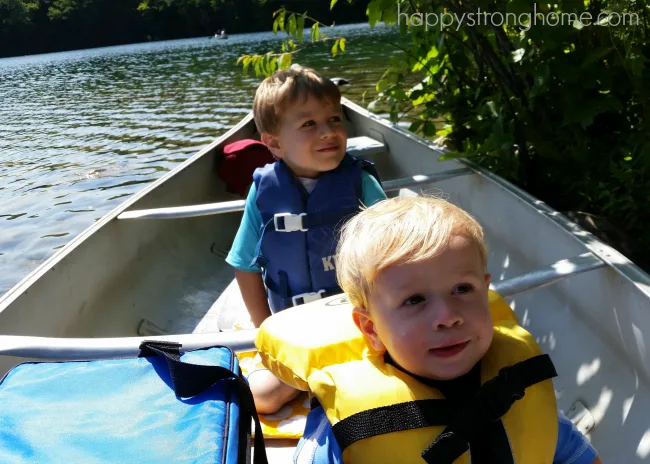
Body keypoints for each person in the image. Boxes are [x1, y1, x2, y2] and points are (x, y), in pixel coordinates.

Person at [254, 196, 602, 463]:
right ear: (371, 329)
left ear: (486, 290)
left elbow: (577, 457)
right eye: (414, 300)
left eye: (462, 290)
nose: (447, 316)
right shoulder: (348, 428)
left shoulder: (516, 386)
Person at [225, 65, 386, 414]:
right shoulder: (264, 193)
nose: (328, 132)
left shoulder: (362, 183)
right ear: (274, 143)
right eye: (309, 124)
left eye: (335, 119)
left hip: (362, 322)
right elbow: (244, 266)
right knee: (262, 398)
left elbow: (394, 255)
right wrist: (267, 331)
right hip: (298, 329)